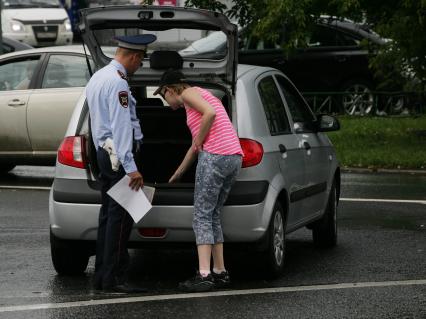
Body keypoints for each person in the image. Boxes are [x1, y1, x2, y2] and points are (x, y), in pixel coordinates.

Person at [154, 69, 244, 292]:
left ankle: (203, 274)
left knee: (201, 214)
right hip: (233, 157)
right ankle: (220, 272)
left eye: (163, 95)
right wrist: (179, 172)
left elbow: (210, 114)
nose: (165, 101)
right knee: (213, 213)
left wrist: (202, 142)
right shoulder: (204, 93)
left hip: (214, 156)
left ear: (170, 89)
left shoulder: (188, 94)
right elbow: (195, 146)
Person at [85, 34, 156, 294]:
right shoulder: (118, 84)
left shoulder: (98, 77)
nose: (140, 66)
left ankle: (102, 276)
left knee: (107, 216)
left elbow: (96, 123)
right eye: (140, 60)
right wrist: (131, 167)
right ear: (134, 56)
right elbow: (121, 127)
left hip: (105, 154)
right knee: (120, 219)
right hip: (119, 157)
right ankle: (113, 279)